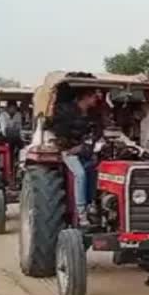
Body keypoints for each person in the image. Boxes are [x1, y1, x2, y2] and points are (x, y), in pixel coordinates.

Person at [48, 87, 103, 226]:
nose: (96, 99)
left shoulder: (93, 114)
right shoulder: (66, 112)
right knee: (80, 174)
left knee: (96, 170)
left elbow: (96, 132)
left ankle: (93, 205)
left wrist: (89, 145)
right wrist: (70, 147)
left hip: (85, 151)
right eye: (94, 96)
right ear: (85, 96)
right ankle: (81, 212)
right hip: (68, 151)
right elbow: (60, 133)